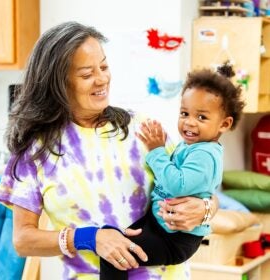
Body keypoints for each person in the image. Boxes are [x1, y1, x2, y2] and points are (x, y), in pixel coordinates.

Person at [0, 21, 219, 280]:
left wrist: (204, 209)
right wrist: (91, 238)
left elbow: (206, 193)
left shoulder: (142, 129)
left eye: (104, 66)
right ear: (58, 83)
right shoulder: (35, 152)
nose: (101, 79)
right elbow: (23, 240)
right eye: (87, 74)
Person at [100, 62, 245, 279]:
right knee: (114, 237)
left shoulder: (205, 154)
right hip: (162, 226)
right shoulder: (192, 147)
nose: (189, 123)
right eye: (185, 113)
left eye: (202, 117)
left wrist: (156, 150)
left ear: (224, 124)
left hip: (174, 240)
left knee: (114, 255)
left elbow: (177, 185)